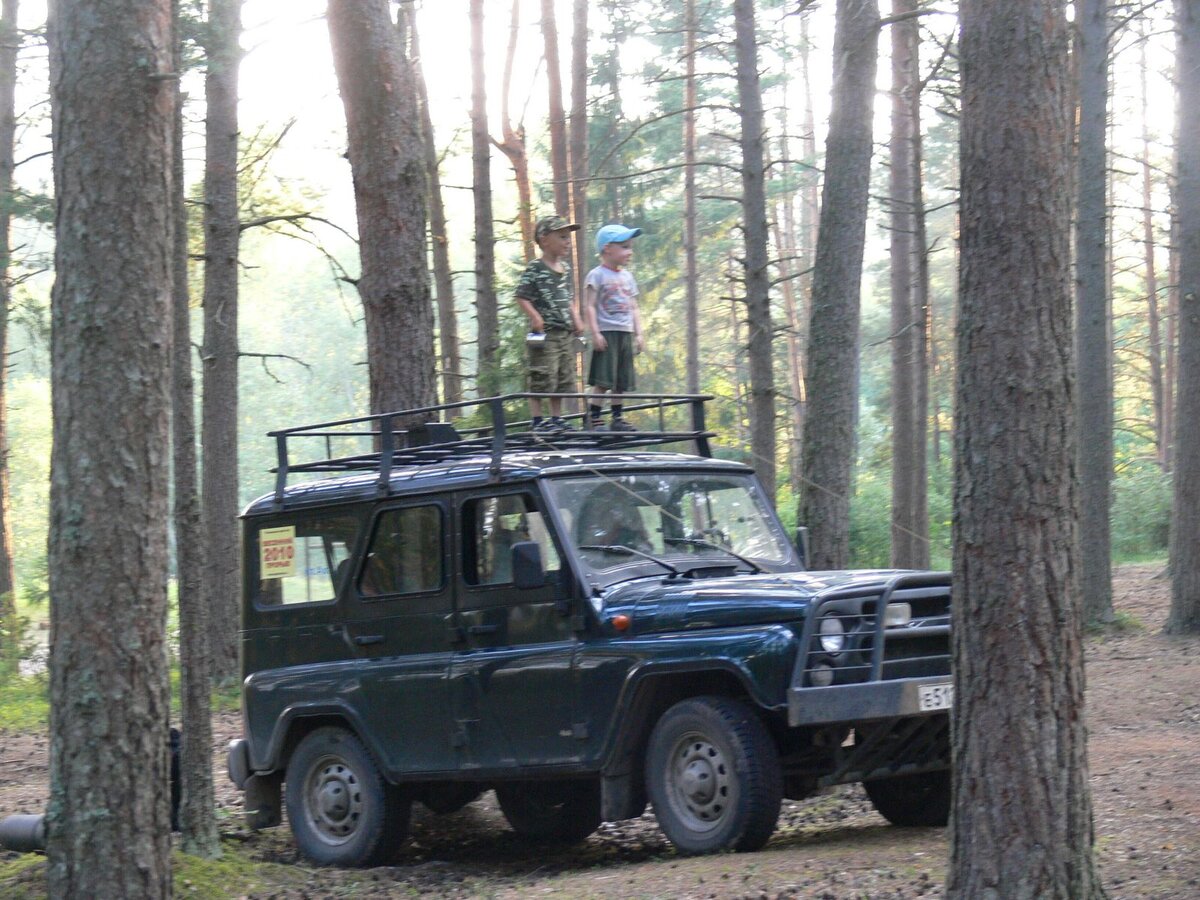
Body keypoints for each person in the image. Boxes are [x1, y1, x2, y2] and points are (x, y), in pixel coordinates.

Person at [515, 215, 585, 433]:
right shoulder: (535, 268)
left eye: (568, 237)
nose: (567, 242)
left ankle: (556, 419)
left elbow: (568, 297)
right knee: (541, 374)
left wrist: (576, 319)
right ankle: (537, 421)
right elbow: (521, 296)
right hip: (544, 335)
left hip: (564, 333)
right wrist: (535, 317)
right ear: (545, 240)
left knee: (563, 376)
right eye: (562, 237)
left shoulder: (564, 269)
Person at [584, 223, 644, 431]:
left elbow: (634, 307)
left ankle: (617, 418)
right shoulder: (597, 275)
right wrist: (596, 332)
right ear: (608, 248)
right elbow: (590, 305)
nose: (630, 251)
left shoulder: (627, 277)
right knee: (603, 378)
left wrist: (639, 333)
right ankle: (593, 417)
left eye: (630, 247)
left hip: (625, 331)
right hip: (607, 332)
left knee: (621, 379)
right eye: (625, 247)